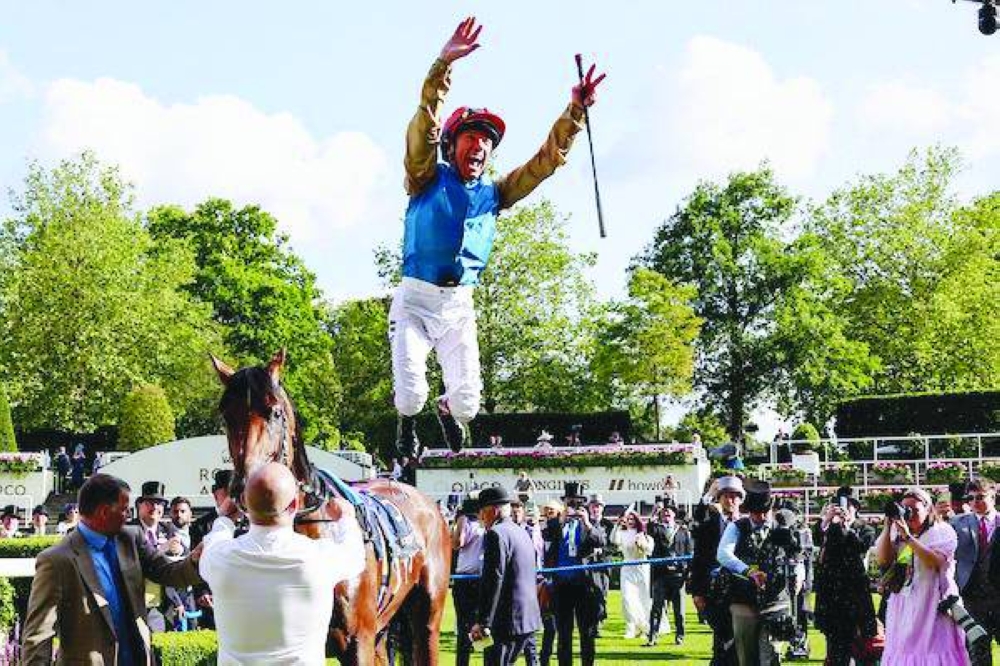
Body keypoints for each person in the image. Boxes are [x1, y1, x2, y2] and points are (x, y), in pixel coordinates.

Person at [390, 16, 605, 458]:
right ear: (452, 146)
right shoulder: (424, 176)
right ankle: (406, 423)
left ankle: (446, 410)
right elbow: (425, 122)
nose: (479, 148)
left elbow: (546, 161)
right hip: (415, 299)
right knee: (409, 393)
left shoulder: (496, 192)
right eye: (470, 139)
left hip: (458, 305)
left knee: (469, 406)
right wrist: (442, 65)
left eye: (486, 143)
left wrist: (576, 113)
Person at [21, 473, 202, 665]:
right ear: (104, 512)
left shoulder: (132, 538)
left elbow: (168, 572)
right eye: (124, 510)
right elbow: (38, 635)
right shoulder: (56, 561)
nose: (128, 515)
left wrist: (198, 560)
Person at [199, 462, 366, 665]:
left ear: (243, 502)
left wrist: (225, 518)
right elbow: (356, 555)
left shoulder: (219, 557)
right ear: (295, 505)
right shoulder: (320, 557)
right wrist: (346, 518)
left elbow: (216, 536)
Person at [875, 486, 970, 665]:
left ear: (928, 509)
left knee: (933, 650)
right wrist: (888, 527)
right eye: (906, 510)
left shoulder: (942, 531)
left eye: (915, 510)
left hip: (934, 604)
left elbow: (935, 563)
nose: (909, 515)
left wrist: (909, 538)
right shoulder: (897, 530)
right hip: (903, 603)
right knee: (904, 651)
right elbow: (883, 560)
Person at [717, 480, 792, 666]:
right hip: (743, 600)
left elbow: (796, 555)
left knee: (771, 656)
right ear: (749, 511)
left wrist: (797, 572)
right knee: (746, 657)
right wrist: (748, 571)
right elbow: (723, 554)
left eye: (765, 512)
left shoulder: (782, 528)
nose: (761, 516)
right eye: (756, 512)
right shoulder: (736, 527)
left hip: (775, 601)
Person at [470, 486, 542, 666]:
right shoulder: (521, 532)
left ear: (493, 511)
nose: (480, 518)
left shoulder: (496, 534)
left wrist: (483, 621)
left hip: (506, 621)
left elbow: (494, 579)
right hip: (527, 617)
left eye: (481, 512)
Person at [813, 486, 879, 666]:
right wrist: (826, 520)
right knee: (835, 649)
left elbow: (860, 547)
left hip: (855, 594)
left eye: (848, 505)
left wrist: (847, 527)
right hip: (831, 595)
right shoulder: (828, 528)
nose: (843, 509)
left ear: (856, 508)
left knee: (861, 648)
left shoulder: (865, 529)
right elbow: (817, 540)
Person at [544, 482, 606, 666]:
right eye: (570, 502)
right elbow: (547, 536)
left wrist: (586, 523)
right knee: (563, 633)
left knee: (587, 633)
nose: (573, 506)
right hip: (562, 585)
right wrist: (562, 519)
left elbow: (601, 541)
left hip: (584, 585)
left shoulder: (590, 523)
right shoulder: (556, 522)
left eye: (577, 502)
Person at [688, 475, 744, 665]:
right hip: (715, 592)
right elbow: (699, 557)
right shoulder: (711, 524)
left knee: (739, 644)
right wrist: (696, 592)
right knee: (723, 640)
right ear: (719, 498)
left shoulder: (746, 526)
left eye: (735, 496)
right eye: (726, 496)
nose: (731, 500)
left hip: (741, 592)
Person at [952, 479, 1000, 648]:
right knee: (978, 652)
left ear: (993, 497)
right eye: (970, 498)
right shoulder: (956, 523)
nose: (974, 502)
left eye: (980, 497)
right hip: (972, 597)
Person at [129, 480, 177, 633]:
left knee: (158, 650)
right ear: (139, 505)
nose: (155, 507)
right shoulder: (128, 531)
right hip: (134, 604)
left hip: (160, 604)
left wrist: (178, 551)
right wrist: (161, 550)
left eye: (160, 503)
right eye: (150, 502)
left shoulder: (168, 529)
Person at [646, 504, 692, 646]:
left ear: (674, 515)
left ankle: (680, 636)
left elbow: (688, 552)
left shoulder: (683, 531)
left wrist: (688, 571)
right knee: (657, 608)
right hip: (661, 574)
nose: (666, 514)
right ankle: (653, 636)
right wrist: (654, 512)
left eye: (669, 512)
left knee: (679, 610)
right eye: (664, 512)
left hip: (678, 575)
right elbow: (648, 528)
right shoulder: (657, 529)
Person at [452, 495, 486, 666]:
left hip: (476, 579)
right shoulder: (469, 523)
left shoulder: (478, 524)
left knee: (479, 625)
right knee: (465, 626)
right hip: (466, 580)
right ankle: (466, 661)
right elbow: (456, 543)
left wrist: (460, 523)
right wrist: (460, 524)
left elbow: (456, 543)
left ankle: (481, 657)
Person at [610, 510, 654, 639]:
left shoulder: (644, 535)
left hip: (642, 569)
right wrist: (617, 525)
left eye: (633, 519)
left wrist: (641, 544)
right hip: (627, 568)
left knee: (643, 598)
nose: (630, 522)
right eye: (628, 519)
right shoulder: (622, 533)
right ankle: (632, 627)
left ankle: (644, 627)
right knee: (627, 598)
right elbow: (614, 540)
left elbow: (649, 551)